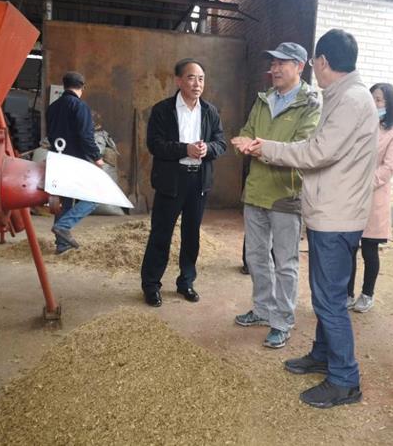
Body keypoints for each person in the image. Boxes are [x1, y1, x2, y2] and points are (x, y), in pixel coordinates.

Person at [241, 29, 378, 408]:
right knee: (325, 296)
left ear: (321, 62)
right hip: (329, 211)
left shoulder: (351, 99)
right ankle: (322, 354)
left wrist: (265, 148)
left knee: (330, 300)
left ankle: (345, 380)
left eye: (314, 62)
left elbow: (317, 152)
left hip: (337, 215)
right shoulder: (342, 96)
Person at [230, 42, 320, 349]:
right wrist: (248, 144)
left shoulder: (310, 105)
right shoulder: (263, 99)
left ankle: (282, 320)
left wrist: (261, 148)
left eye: (283, 62)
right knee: (256, 257)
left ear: (300, 66)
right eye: (273, 62)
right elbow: (246, 132)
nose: (275, 68)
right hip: (256, 189)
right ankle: (262, 309)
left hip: (285, 193)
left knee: (285, 262)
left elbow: (302, 148)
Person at [140, 58, 227, 307]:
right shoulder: (162, 110)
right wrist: (184, 149)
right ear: (178, 81)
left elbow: (221, 143)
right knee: (161, 233)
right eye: (191, 78)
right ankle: (151, 285)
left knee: (191, 235)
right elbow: (155, 144)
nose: (197, 84)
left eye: (201, 79)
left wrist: (207, 148)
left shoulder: (210, 111)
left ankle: (186, 282)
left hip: (198, 181)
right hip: (171, 181)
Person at [347, 83, 393, 313]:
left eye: (379, 100)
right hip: (351, 196)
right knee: (349, 248)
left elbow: (388, 167)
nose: (374, 103)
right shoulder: (360, 126)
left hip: (374, 195)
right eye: (371, 98)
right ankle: (346, 293)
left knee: (369, 250)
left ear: (389, 104)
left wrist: (364, 184)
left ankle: (367, 294)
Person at [46, 71, 104, 255]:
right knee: (94, 197)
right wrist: (96, 157)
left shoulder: (52, 107)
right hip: (75, 162)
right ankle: (63, 226)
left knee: (65, 202)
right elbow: (86, 136)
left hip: (57, 159)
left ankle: (61, 244)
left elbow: (50, 135)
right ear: (82, 87)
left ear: (64, 86)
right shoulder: (80, 107)